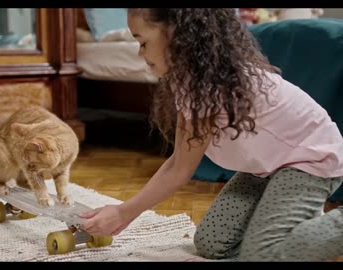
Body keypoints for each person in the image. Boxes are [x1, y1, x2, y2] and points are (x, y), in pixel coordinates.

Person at [80, 8, 343, 261]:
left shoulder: (212, 85)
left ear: (176, 34)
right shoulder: (189, 82)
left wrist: (124, 213)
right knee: (211, 244)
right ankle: (285, 226)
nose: (140, 53)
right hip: (267, 167)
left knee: (263, 255)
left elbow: (179, 171)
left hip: (310, 158)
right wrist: (124, 211)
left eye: (143, 42)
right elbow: (178, 161)